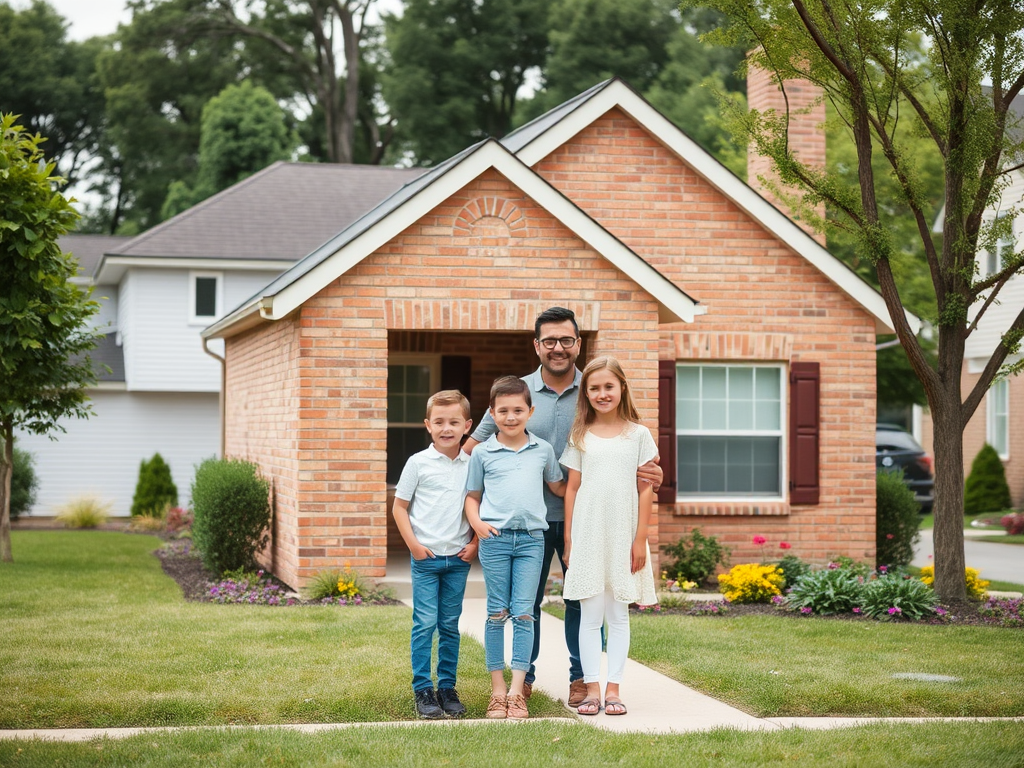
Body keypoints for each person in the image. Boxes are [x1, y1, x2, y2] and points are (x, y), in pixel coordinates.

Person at [463, 307, 662, 707]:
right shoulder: (517, 394)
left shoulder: (593, 387)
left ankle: (581, 680)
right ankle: (526, 678)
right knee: (527, 604)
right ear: (537, 346)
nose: (558, 348)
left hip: (588, 522)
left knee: (582, 600)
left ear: (578, 344)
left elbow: (630, 458)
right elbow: (473, 448)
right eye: (549, 341)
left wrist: (650, 479)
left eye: (566, 340)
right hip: (531, 523)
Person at [561, 356, 659, 716]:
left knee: (618, 615)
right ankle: (591, 688)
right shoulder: (580, 435)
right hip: (588, 533)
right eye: (594, 387)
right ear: (585, 393)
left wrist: (640, 539)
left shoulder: (639, 434)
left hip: (624, 534)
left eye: (608, 386)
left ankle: (614, 688)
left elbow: (646, 488)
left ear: (621, 388)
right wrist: (570, 539)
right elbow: (572, 488)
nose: (602, 393)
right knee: (589, 615)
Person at [464, 376, 566, 720]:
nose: (510, 416)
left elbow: (561, 488)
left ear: (530, 411)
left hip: (531, 541)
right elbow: (472, 497)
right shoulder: (481, 452)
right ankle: (496, 692)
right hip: (494, 541)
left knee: (524, 613)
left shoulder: (543, 450)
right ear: (492, 413)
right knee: (497, 613)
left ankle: (516, 692)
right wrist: (477, 526)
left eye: (518, 410)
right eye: (503, 410)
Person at [392, 390, 477, 719]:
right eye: (439, 422)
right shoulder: (418, 463)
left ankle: (447, 688)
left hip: (457, 559)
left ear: (466, 425)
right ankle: (423, 690)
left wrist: (476, 545)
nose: (446, 428)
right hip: (425, 559)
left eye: (454, 422)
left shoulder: (473, 465)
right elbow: (400, 507)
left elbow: (482, 507)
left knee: (450, 625)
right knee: (425, 623)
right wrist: (413, 545)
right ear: (428, 425)